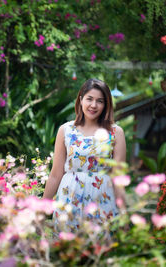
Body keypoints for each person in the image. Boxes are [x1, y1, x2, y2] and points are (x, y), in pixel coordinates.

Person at [42, 78, 126, 231]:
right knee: (66, 250)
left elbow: (118, 178)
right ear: (80, 100)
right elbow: (55, 175)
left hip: (102, 201)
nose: (94, 105)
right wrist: (41, 211)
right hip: (69, 199)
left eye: (100, 101)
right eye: (90, 99)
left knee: (100, 250)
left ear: (106, 104)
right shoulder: (65, 130)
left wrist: (124, 215)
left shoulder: (115, 132)